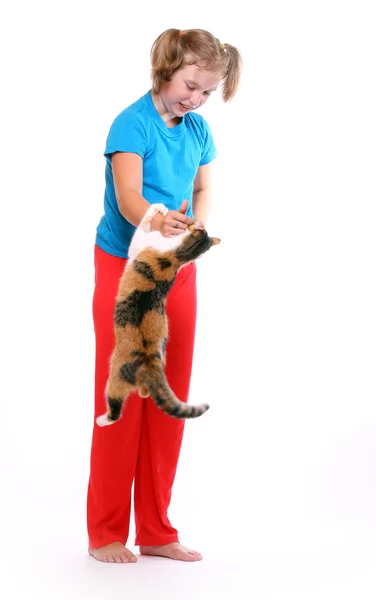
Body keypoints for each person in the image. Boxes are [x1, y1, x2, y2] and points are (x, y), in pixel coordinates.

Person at [87, 27, 242, 564]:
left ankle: (156, 529)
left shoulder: (197, 129)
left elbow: (202, 186)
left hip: (174, 269)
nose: (195, 99)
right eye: (189, 86)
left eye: (206, 92)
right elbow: (129, 194)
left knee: (167, 392)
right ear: (165, 70)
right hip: (125, 267)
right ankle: (106, 530)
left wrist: (196, 224)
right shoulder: (132, 124)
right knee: (124, 390)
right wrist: (156, 219)